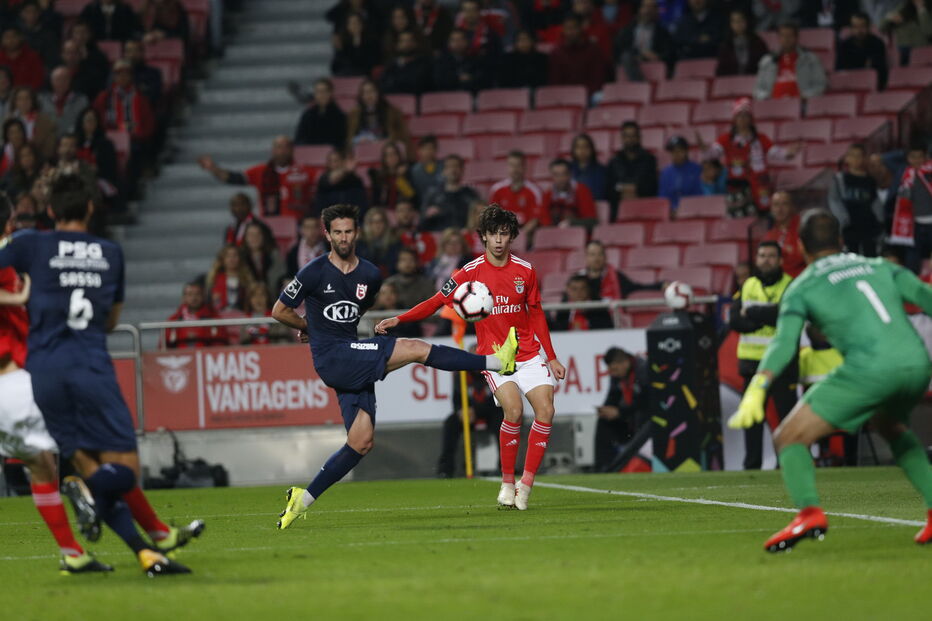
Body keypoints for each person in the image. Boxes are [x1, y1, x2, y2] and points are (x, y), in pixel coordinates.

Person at [0, 174, 203, 576]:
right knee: (121, 466)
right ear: (92, 208)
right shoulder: (109, 252)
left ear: (51, 210)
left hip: (39, 373)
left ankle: (145, 550)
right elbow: (111, 319)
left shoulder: (29, 245)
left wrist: (23, 296)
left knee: (54, 464)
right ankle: (108, 510)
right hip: (77, 367)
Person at [273, 203, 519, 528]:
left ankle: (301, 500)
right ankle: (497, 361)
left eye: (348, 231)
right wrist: (310, 326)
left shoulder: (370, 275)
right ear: (327, 235)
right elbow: (279, 310)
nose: (344, 238)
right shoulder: (313, 272)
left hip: (351, 355)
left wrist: (321, 327)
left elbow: (355, 310)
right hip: (333, 356)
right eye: (337, 232)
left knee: (361, 441)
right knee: (416, 348)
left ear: (356, 233)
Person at [730, 210, 932, 551]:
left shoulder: (803, 285)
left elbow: (784, 343)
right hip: (918, 363)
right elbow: (926, 297)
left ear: (799, 245)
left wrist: (758, 385)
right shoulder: (882, 266)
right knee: (892, 426)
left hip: (871, 370)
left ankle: (809, 513)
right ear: (840, 240)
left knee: (789, 438)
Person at [379, 204, 566, 510]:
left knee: (546, 410)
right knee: (514, 412)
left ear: (512, 236)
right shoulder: (468, 273)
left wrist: (552, 356)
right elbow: (436, 301)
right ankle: (507, 481)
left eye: (505, 234)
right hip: (495, 357)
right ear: (483, 237)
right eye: (493, 234)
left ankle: (526, 485)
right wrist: (399, 319)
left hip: (530, 353)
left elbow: (537, 314)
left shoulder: (526, 271)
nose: (499, 240)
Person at [0, 195, 112, 574]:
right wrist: (19, 295)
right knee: (83, 439)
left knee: (39, 465)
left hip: (10, 383)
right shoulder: (8, 257)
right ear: (10, 221)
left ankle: (73, 553)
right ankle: (79, 487)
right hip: (17, 379)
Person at [728, 241, 797, 470]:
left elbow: (785, 315)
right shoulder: (748, 285)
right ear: (756, 260)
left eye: (770, 256)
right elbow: (736, 320)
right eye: (761, 255)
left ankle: (787, 464)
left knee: (787, 417)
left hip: (782, 362)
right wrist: (767, 317)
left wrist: (754, 313)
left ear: (779, 260)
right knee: (752, 417)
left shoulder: (791, 285)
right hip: (751, 363)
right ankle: (752, 466)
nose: (765, 259)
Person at [701, 98, 800, 215]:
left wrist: (789, 153)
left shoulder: (760, 139)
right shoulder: (726, 139)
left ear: (751, 119)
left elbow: (776, 153)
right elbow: (712, 153)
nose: (743, 119)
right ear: (734, 119)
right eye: (739, 116)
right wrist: (703, 147)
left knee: (762, 216)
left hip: (759, 185)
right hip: (737, 187)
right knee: (739, 220)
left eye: (746, 115)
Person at [198, 135, 316, 220]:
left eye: (286, 147)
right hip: (270, 223)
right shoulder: (262, 171)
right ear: (273, 150)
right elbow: (235, 178)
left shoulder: (304, 171)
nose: (282, 151)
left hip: (299, 224)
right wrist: (213, 168)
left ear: (291, 150)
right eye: (279, 147)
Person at [436, 346, 504, 478]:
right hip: (469, 413)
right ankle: (445, 469)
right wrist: (461, 410)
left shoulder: (495, 372)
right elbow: (456, 397)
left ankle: (505, 467)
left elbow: (502, 396)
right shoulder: (461, 374)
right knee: (451, 423)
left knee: (504, 422)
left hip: (492, 411)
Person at [595, 347, 649, 471]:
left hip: (644, 418)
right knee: (604, 421)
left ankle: (618, 467)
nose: (612, 373)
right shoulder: (618, 375)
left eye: (614, 369)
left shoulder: (643, 370)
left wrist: (619, 412)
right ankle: (602, 466)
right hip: (629, 416)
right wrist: (606, 410)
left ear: (625, 363)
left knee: (642, 416)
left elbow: (645, 402)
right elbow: (613, 396)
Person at [828, 143, 883, 257]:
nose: (856, 159)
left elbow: (875, 202)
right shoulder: (840, 179)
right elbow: (834, 201)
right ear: (846, 158)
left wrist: (880, 222)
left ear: (864, 158)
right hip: (849, 228)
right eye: (852, 155)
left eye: (859, 156)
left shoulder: (870, 180)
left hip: (868, 228)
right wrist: (843, 221)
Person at [753, 21, 827, 100]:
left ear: (796, 37)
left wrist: (805, 96)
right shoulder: (767, 61)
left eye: (790, 36)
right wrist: (767, 98)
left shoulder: (810, 59)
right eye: (783, 36)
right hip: (772, 106)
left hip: (803, 105)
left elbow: (821, 85)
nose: (786, 39)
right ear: (778, 38)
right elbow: (758, 90)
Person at [891, 140, 932, 273]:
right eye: (913, 157)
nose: (916, 160)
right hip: (913, 227)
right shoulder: (904, 175)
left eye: (920, 156)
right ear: (908, 158)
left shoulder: (930, 172)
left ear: (926, 157)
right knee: (912, 264)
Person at [548, 14, 612, 97]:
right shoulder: (557, 53)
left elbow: (598, 79)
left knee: (599, 97)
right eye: (568, 28)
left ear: (581, 28)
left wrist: (584, 95)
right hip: (564, 97)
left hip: (590, 95)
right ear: (563, 30)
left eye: (574, 28)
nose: (571, 32)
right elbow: (555, 82)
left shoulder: (593, 50)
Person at [607, 121, 659, 220]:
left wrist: (636, 189)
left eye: (633, 136)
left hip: (644, 207)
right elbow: (608, 189)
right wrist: (622, 189)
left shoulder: (649, 160)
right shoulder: (614, 162)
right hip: (619, 209)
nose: (630, 140)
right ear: (622, 138)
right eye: (627, 136)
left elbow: (653, 186)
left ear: (639, 138)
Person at [579, 240, 664, 299]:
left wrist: (660, 285)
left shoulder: (616, 277)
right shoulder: (578, 279)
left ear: (605, 257)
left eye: (600, 254)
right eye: (592, 254)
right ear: (586, 257)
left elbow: (637, 288)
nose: (596, 258)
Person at [615, 0, 675, 82]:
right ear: (639, 9)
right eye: (646, 6)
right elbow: (619, 50)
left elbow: (670, 54)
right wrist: (639, 54)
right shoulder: (627, 31)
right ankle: (641, 85)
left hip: (654, 64)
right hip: (632, 60)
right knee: (626, 57)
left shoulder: (663, 33)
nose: (648, 10)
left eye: (652, 7)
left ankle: (642, 89)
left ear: (657, 11)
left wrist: (658, 56)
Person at [489, 150, 544, 235]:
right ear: (507, 167)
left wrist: (520, 237)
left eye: (518, 165)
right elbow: (493, 217)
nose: (515, 169)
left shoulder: (534, 190)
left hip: (526, 234)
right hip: (503, 235)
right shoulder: (497, 190)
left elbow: (536, 219)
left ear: (524, 167)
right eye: (512, 165)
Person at [345, 78, 411, 150]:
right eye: (364, 93)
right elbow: (349, 138)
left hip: (386, 149)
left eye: (371, 91)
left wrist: (387, 140)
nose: (368, 96)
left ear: (378, 93)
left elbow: (402, 135)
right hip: (363, 149)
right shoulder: (354, 114)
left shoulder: (392, 112)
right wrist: (357, 141)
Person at [422, 154, 480, 231]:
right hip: (439, 239)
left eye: (456, 166)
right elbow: (422, 224)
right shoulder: (433, 195)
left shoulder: (471, 194)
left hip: (465, 239)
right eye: (449, 167)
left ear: (462, 170)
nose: (453, 170)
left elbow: (479, 220)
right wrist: (428, 216)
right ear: (443, 171)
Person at [836, 11, 888, 91]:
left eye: (862, 26)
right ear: (850, 28)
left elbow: (880, 70)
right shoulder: (844, 45)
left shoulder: (877, 43)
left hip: (873, 87)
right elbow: (840, 70)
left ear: (868, 27)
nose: (859, 30)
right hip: (849, 86)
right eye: (855, 27)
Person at [165, 280, 224, 348]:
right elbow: (164, 347)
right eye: (190, 294)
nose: (194, 298)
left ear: (203, 296)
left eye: (197, 294)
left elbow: (220, 345)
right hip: (180, 357)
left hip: (205, 356)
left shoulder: (214, 319)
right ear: (184, 298)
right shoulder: (173, 320)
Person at [294, 78, 347, 150]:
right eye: (318, 92)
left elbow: (341, 141)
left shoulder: (340, 116)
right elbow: (299, 139)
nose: (321, 95)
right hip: (310, 154)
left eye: (324, 91)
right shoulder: (307, 115)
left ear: (330, 93)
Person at [432, 28, 491, 92]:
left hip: (472, 96)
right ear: (448, 43)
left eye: (461, 39)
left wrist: (470, 79)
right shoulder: (441, 62)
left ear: (467, 41)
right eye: (454, 40)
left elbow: (483, 80)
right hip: (447, 97)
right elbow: (439, 82)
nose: (457, 43)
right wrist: (458, 78)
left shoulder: (476, 60)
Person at [762, 190, 806, 277]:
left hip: (801, 280)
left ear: (792, 207)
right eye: (776, 205)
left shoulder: (803, 227)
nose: (779, 209)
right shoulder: (769, 235)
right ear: (771, 209)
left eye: (784, 204)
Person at [542, 158, 597, 227]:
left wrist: (572, 223)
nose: (560, 178)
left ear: (570, 174)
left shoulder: (582, 190)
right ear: (551, 176)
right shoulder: (548, 194)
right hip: (554, 235)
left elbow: (592, 221)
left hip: (577, 234)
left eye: (564, 174)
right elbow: (545, 222)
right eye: (556, 175)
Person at [314, 148, 368, 214]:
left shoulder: (354, 180)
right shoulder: (324, 179)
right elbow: (332, 179)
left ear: (343, 162)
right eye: (330, 161)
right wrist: (346, 169)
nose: (333, 164)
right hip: (329, 218)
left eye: (336, 161)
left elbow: (361, 205)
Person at [379, 29, 433, 96]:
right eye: (402, 41)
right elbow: (383, 85)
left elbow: (416, 85)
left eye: (409, 40)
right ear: (397, 45)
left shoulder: (424, 63)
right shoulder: (392, 64)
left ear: (415, 43)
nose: (406, 44)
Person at [715, 9, 768, 76]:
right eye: (734, 21)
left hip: (754, 81)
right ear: (730, 24)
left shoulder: (758, 42)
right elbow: (720, 72)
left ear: (746, 21)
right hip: (731, 83)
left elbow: (765, 65)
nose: (738, 24)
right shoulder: (725, 45)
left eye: (740, 20)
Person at [40, 67, 89, 138]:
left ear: (70, 81)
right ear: (51, 81)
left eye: (65, 79)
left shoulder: (82, 101)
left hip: (74, 141)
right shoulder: (42, 100)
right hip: (49, 142)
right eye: (58, 79)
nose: (61, 82)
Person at [8, 86, 56, 159]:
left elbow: (49, 149)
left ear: (33, 101)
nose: (23, 102)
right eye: (20, 99)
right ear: (15, 102)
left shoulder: (45, 122)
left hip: (38, 159)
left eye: (27, 98)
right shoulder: (8, 120)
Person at [383, 245, 437, 310]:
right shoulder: (388, 283)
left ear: (417, 263)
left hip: (420, 319)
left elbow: (433, 308)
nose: (407, 263)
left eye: (411, 260)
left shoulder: (427, 285)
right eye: (403, 260)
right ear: (397, 263)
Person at [881, 0, 932, 66]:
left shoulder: (928, 10)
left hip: (923, 50)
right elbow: (881, 27)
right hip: (903, 51)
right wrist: (890, 17)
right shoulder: (903, 8)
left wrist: (921, 9)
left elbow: (929, 31)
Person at [355, 206, 402, 277]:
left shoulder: (394, 243)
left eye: (380, 222)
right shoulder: (360, 244)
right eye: (373, 222)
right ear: (368, 224)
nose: (377, 225)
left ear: (386, 224)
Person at [368, 141, 416, 210]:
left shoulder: (406, 174)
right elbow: (375, 202)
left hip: (403, 213)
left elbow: (412, 197)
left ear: (399, 156)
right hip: (385, 213)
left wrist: (400, 178)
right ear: (384, 159)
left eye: (394, 154)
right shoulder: (379, 177)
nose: (392, 157)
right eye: (388, 155)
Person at [330, 12, 380, 77]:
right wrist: (340, 49)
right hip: (346, 75)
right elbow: (335, 67)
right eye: (351, 23)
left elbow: (369, 62)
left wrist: (357, 41)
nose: (354, 26)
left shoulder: (371, 41)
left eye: (356, 23)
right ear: (347, 26)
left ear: (362, 24)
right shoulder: (343, 42)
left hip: (365, 74)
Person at [658, 135, 702, 210]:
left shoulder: (696, 169)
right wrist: (670, 210)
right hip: (671, 213)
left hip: (692, 211)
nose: (676, 154)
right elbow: (663, 197)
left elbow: (699, 194)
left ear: (686, 151)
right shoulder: (666, 173)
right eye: (673, 152)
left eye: (679, 151)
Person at [242, 221, 286, 292]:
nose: (254, 238)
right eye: (251, 235)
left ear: (263, 236)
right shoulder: (240, 257)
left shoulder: (274, 255)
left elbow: (281, 277)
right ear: (245, 238)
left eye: (258, 234)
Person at [0, 26, 44, 91]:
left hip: (27, 97)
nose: (11, 40)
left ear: (21, 38)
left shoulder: (32, 57)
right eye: (7, 37)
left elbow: (38, 79)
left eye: (14, 36)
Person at [395, 198, 438, 264]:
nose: (405, 214)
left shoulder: (426, 237)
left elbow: (430, 262)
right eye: (401, 210)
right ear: (395, 214)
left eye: (408, 210)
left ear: (414, 213)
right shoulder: (390, 237)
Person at [122, 39, 163, 107]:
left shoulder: (154, 73)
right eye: (128, 51)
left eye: (136, 50)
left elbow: (153, 98)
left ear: (142, 53)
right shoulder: (117, 73)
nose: (132, 55)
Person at [569, 133, 608, 201]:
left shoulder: (601, 170)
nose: (582, 150)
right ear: (573, 150)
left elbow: (601, 195)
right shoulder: (567, 169)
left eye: (585, 146)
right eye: (578, 147)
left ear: (591, 149)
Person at [410, 135, 444, 208]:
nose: (428, 152)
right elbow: (411, 194)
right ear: (419, 151)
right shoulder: (414, 170)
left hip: (441, 207)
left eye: (431, 148)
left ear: (435, 150)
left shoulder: (443, 167)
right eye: (425, 148)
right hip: (420, 208)